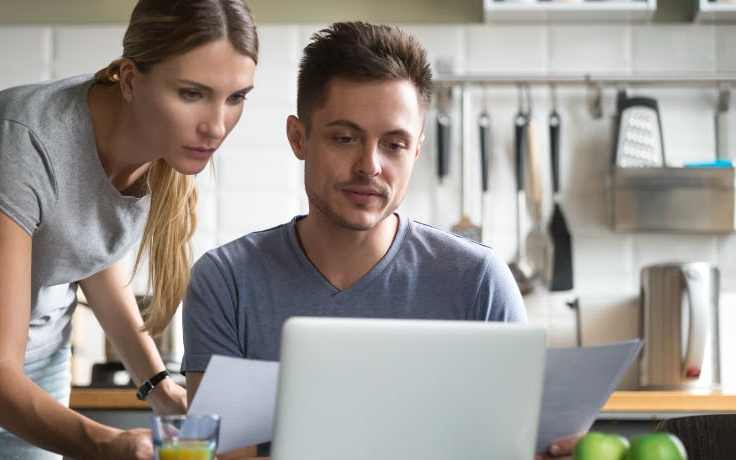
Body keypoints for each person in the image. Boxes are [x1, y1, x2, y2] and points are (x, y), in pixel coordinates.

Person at [0, 1, 257, 458]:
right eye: (192, 93)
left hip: (37, 373)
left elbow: (91, 259)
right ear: (132, 79)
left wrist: (158, 386)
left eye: (236, 97)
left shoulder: (164, 148)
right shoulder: (29, 136)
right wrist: (107, 444)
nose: (216, 126)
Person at [179, 21, 575, 460]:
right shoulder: (227, 281)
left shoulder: (479, 281)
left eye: (394, 145)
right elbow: (229, 456)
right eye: (345, 138)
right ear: (299, 137)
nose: (370, 166)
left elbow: (511, 448)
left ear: (417, 151)